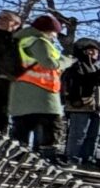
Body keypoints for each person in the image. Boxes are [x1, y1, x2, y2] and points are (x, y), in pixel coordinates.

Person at [7, 12, 69, 158]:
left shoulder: (22, 40)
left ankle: (18, 154)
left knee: (23, 124)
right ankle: (49, 157)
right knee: (51, 124)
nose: (55, 36)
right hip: (41, 90)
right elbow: (50, 63)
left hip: (23, 88)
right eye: (54, 32)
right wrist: (66, 61)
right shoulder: (39, 41)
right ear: (48, 30)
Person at [62, 37, 100, 164]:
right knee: (78, 135)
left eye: (96, 51)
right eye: (91, 50)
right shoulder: (76, 66)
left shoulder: (98, 66)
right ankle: (73, 158)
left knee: (93, 136)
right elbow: (85, 80)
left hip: (97, 107)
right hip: (80, 105)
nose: (95, 53)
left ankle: (88, 158)